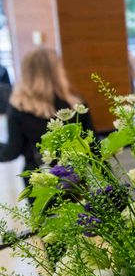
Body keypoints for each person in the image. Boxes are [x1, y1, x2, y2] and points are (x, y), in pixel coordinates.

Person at [0, 48, 93, 182]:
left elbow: (11, 152)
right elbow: (93, 147)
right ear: (57, 71)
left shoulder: (19, 108)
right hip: (74, 178)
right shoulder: (76, 105)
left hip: (39, 179)